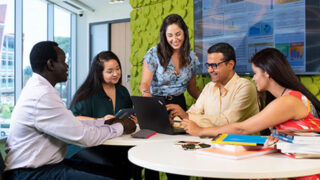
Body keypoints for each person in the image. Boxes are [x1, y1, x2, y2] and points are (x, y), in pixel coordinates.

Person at [3, 41, 136, 180]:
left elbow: (72, 123)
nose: (67, 66)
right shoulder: (43, 95)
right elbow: (82, 135)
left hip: (48, 165)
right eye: (63, 61)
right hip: (31, 173)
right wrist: (120, 127)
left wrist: (106, 123)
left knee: (113, 171)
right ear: (51, 64)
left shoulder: (41, 89)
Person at [182, 48, 320, 180]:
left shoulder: (289, 101)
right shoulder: (284, 98)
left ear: (267, 73)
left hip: (305, 171)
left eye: (255, 73)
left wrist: (200, 131)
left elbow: (242, 128)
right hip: (293, 166)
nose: (253, 78)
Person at [68, 51, 139, 180]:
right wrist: (99, 120)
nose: (116, 73)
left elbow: (127, 116)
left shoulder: (122, 91)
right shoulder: (87, 93)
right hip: (86, 144)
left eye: (118, 69)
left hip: (114, 142)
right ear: (98, 73)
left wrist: (132, 120)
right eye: (110, 71)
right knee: (112, 166)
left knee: (131, 163)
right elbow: (73, 118)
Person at [167, 42, 259, 129]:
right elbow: (193, 112)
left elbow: (228, 122)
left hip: (242, 144)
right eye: (208, 65)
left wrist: (187, 117)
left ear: (230, 65)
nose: (210, 70)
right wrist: (176, 120)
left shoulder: (245, 87)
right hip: (213, 142)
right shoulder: (209, 87)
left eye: (214, 65)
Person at [140, 13, 201, 111]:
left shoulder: (192, 57)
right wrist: (148, 99)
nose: (175, 39)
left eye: (178, 34)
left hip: (179, 106)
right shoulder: (154, 54)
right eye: (170, 35)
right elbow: (145, 84)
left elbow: (192, 88)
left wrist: (208, 102)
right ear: (164, 36)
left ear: (184, 33)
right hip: (157, 103)